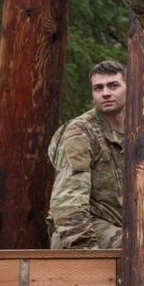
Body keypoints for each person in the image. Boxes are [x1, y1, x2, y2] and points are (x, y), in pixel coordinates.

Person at [47, 60, 127, 249]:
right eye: (98, 88)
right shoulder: (80, 132)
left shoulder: (142, 132)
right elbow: (68, 202)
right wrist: (86, 253)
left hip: (121, 230)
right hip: (83, 233)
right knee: (138, 249)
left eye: (113, 85)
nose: (105, 93)